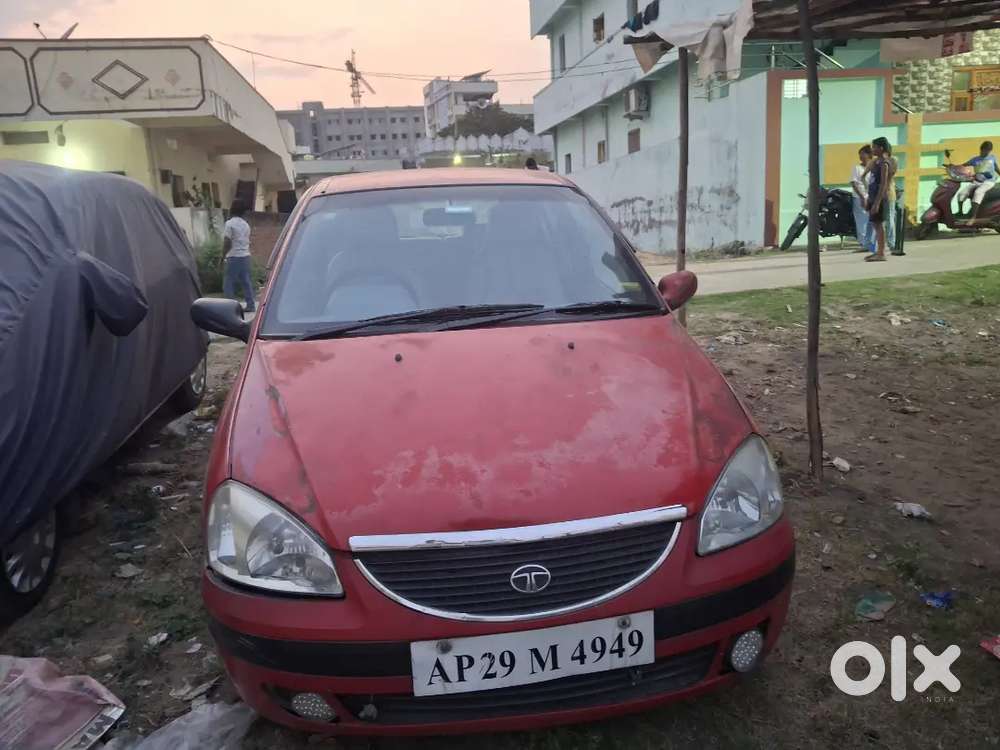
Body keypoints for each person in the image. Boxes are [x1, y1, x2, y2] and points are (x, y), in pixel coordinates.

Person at [221, 200, 255, 312]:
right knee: (246, 282)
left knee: (228, 283)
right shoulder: (246, 225)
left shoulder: (229, 224)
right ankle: (250, 305)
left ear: (232, 209)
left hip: (234, 256)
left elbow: (227, 242)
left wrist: (222, 256)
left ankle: (230, 308)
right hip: (245, 256)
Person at [865, 137, 891, 262]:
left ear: (881, 148)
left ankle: (881, 253)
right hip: (872, 197)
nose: (872, 149)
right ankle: (878, 251)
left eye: (874, 147)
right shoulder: (876, 162)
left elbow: (883, 184)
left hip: (879, 199)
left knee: (879, 225)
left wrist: (877, 203)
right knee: (875, 224)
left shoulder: (884, 163)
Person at [958, 141, 997, 222]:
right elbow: (963, 165)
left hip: (989, 182)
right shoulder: (975, 159)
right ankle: (960, 212)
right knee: (962, 193)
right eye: (985, 150)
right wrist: (953, 167)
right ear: (981, 149)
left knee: (978, 192)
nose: (986, 152)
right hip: (976, 181)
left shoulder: (992, 157)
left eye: (988, 150)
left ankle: (973, 217)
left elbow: (996, 168)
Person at [851, 146, 872, 250]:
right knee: (861, 221)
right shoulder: (857, 168)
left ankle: (871, 243)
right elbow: (854, 183)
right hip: (859, 198)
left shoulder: (873, 168)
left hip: (872, 198)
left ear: (869, 155)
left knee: (871, 221)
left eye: (862, 153)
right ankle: (863, 243)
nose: (860, 156)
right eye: (860, 154)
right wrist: (862, 197)